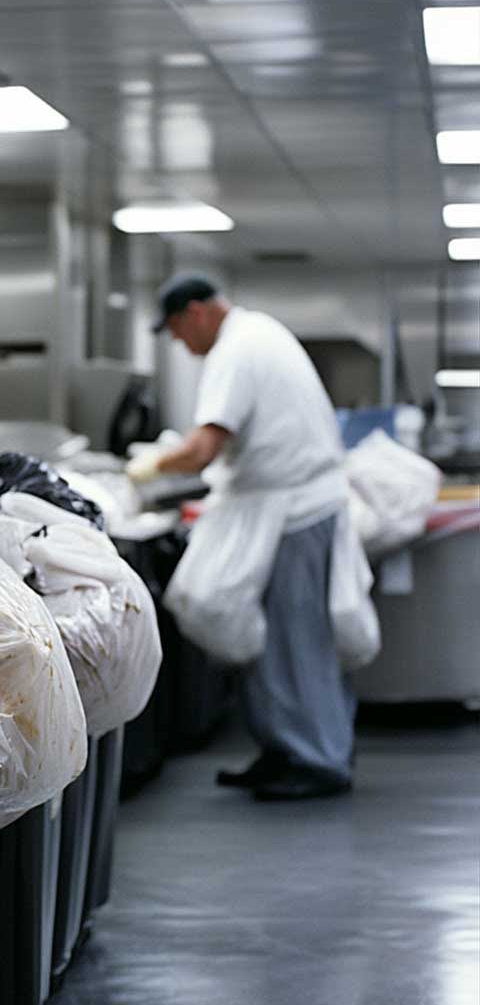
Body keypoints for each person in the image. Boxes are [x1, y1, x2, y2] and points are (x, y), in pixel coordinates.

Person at [128, 274, 355, 801]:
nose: (182, 344)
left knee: (295, 642)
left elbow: (205, 446)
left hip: (294, 513)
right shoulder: (258, 334)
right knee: (269, 640)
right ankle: (284, 750)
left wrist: (150, 465)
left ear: (198, 312)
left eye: (179, 331)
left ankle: (318, 759)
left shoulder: (237, 348)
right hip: (287, 507)